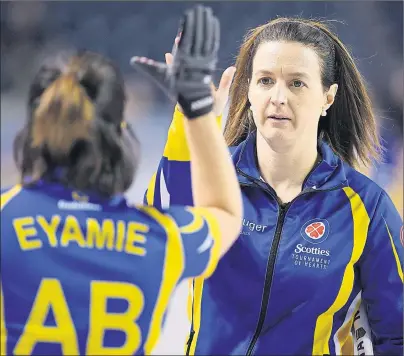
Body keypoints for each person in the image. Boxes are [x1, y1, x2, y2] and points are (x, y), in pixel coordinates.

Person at [138, 17, 403, 355]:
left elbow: (395, 334)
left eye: (297, 84)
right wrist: (190, 119)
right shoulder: (213, 177)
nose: (278, 97)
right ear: (248, 90)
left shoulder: (367, 207)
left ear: (328, 97)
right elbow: (156, 230)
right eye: (265, 81)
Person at [0, 6, 243, 355]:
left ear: (33, 133)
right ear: (120, 138)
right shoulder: (163, 239)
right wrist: (197, 109)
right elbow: (225, 213)